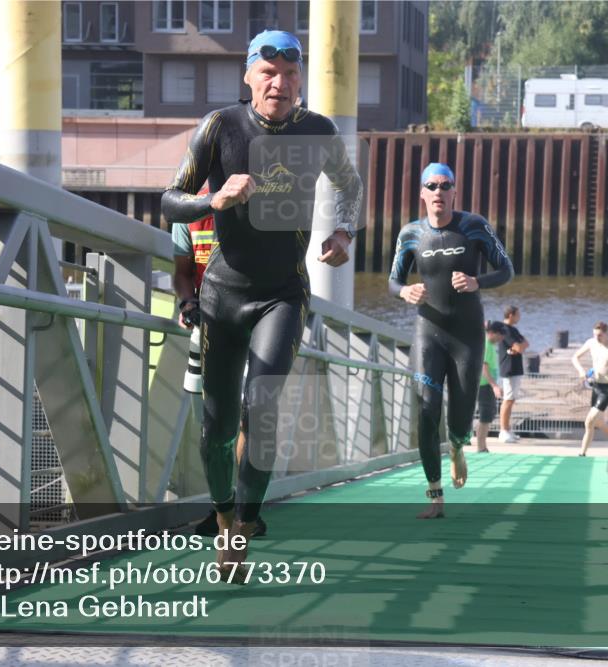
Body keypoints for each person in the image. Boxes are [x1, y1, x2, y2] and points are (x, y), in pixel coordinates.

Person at [161, 29, 362, 579]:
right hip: (223, 293)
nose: (279, 83)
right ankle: (225, 518)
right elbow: (169, 199)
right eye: (268, 72)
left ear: (301, 79)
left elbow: (349, 184)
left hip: (283, 293)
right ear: (249, 76)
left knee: (263, 406)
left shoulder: (319, 131)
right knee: (218, 425)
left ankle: (246, 521)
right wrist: (213, 198)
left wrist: (344, 232)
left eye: (290, 73)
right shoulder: (220, 127)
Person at [388, 163, 513, 519]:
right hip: (428, 333)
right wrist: (405, 292)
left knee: (459, 418)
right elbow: (393, 281)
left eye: (446, 185)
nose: (439, 191)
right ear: (423, 193)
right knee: (427, 412)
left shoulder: (473, 226)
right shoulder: (411, 234)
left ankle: (458, 445)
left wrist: (478, 283)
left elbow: (506, 268)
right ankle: (435, 496)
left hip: (467, 337)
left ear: (455, 192)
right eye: (432, 185)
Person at [171, 187, 267, 538]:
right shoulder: (190, 210)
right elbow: (182, 272)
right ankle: (221, 507)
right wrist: (186, 303)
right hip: (209, 325)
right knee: (213, 425)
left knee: (251, 416)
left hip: (255, 323)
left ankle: (243, 510)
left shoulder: (258, 196)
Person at [572, 321, 608, 456]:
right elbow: (575, 357)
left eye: (599, 335)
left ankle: (582, 452)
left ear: (606, 334)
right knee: (598, 423)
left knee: (589, 420)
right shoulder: (591, 343)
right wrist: (581, 371)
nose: (597, 338)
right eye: (595, 335)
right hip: (596, 386)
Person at [497, 305, 528, 442]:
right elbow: (519, 347)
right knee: (507, 400)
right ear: (511, 315)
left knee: (512, 399)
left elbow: (526, 343)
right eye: (518, 314)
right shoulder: (504, 330)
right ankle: (503, 431)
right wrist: (518, 348)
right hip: (508, 368)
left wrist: (519, 347)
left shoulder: (513, 329)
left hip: (516, 368)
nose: (519, 317)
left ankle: (508, 429)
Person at [476, 321, 505, 453]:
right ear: (492, 333)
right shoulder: (487, 345)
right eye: (500, 335)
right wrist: (494, 386)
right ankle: (481, 447)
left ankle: (482, 445)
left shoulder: (490, 345)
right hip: (484, 385)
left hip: (487, 384)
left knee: (486, 416)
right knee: (485, 416)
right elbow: (484, 367)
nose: (502, 338)